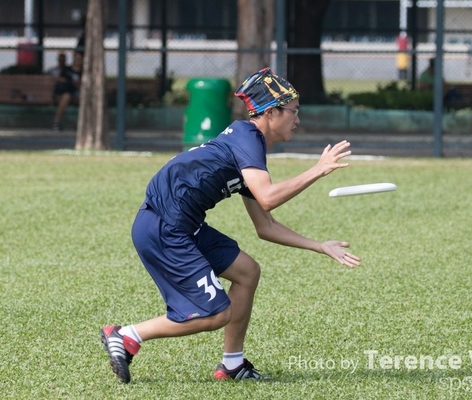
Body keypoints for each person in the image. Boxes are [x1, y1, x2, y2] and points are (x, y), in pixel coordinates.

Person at [100, 67, 361, 384]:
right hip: (163, 228)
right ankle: (127, 335)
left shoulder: (248, 147)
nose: (297, 119)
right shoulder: (247, 137)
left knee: (247, 272)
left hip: (182, 226)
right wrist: (317, 170)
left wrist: (319, 246)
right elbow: (268, 198)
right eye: (293, 111)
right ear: (271, 113)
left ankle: (233, 365)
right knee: (216, 313)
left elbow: (265, 226)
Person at [50, 52, 83, 131]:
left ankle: (81, 123)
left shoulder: (83, 72)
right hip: (64, 93)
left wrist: (78, 84)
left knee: (82, 98)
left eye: (79, 59)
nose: (77, 60)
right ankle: (56, 122)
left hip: (76, 93)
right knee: (66, 96)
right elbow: (60, 80)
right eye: (76, 58)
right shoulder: (66, 69)